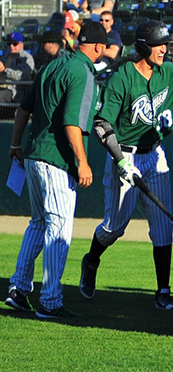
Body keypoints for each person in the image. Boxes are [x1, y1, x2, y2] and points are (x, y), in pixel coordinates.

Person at [78, 21, 173, 310]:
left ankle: (163, 292)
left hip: (154, 154)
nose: (164, 50)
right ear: (144, 46)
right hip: (125, 155)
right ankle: (91, 260)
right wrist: (120, 161)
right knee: (114, 227)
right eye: (159, 45)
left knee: (161, 226)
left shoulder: (170, 72)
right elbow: (101, 123)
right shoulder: (122, 77)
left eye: (166, 45)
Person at [3, 21, 107, 318]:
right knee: (58, 229)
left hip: (34, 155)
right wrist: (83, 162)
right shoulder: (82, 72)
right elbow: (72, 123)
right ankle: (50, 301)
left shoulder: (52, 66)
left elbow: (24, 109)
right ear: (98, 47)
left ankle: (18, 289)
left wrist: (14, 145)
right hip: (57, 160)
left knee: (38, 222)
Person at [0, 32, 35, 104]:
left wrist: (5, 70)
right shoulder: (5, 55)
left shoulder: (27, 58)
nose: (11, 46)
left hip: (14, 90)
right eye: (9, 44)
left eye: (15, 44)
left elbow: (22, 76)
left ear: (21, 44)